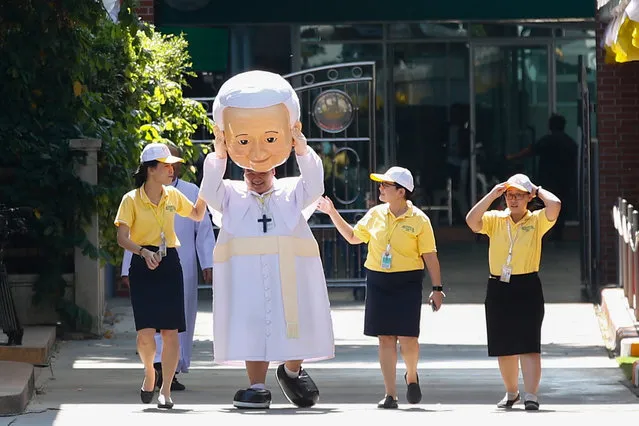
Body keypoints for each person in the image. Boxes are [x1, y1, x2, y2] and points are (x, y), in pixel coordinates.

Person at [198, 70, 334, 409]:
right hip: (246, 280)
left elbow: (315, 185)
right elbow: (210, 193)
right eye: (250, 174)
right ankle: (256, 386)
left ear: (274, 169)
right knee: (252, 330)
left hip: (289, 276)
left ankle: (290, 371)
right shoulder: (230, 196)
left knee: (294, 327)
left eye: (263, 173)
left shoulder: (291, 193)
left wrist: (301, 147)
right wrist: (219, 154)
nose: (256, 178)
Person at [317, 166, 444, 409]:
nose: (380, 188)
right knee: (385, 338)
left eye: (386, 185)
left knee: (408, 338)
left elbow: (430, 257)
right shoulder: (375, 214)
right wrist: (332, 213)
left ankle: (411, 374)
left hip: (407, 280)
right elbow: (354, 237)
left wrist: (437, 288)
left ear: (401, 191)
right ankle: (390, 394)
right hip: (378, 280)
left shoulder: (419, 220)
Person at [114, 142, 209, 409]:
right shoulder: (130, 199)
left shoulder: (174, 196)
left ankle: (166, 390)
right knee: (145, 334)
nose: (172, 169)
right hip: (143, 263)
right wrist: (143, 252)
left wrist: (209, 183)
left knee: (171, 332)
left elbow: (198, 214)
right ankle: (149, 372)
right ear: (150, 170)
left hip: (169, 264)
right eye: (166, 166)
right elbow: (122, 237)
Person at [465, 173, 561, 411]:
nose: (514, 200)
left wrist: (536, 189)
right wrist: (492, 194)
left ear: (529, 198)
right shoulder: (496, 219)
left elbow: (556, 205)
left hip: (527, 285)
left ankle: (531, 394)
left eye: (519, 195)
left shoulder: (537, 219)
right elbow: (472, 221)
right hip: (499, 286)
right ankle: (512, 392)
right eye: (510, 195)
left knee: (529, 343)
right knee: (504, 344)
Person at [506, 114, 577, 240]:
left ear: (550, 126)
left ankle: (544, 233)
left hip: (548, 179)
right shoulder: (570, 142)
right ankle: (557, 233)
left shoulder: (548, 140)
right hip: (566, 180)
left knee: (543, 205)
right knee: (562, 206)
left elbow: (530, 151)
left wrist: (512, 157)